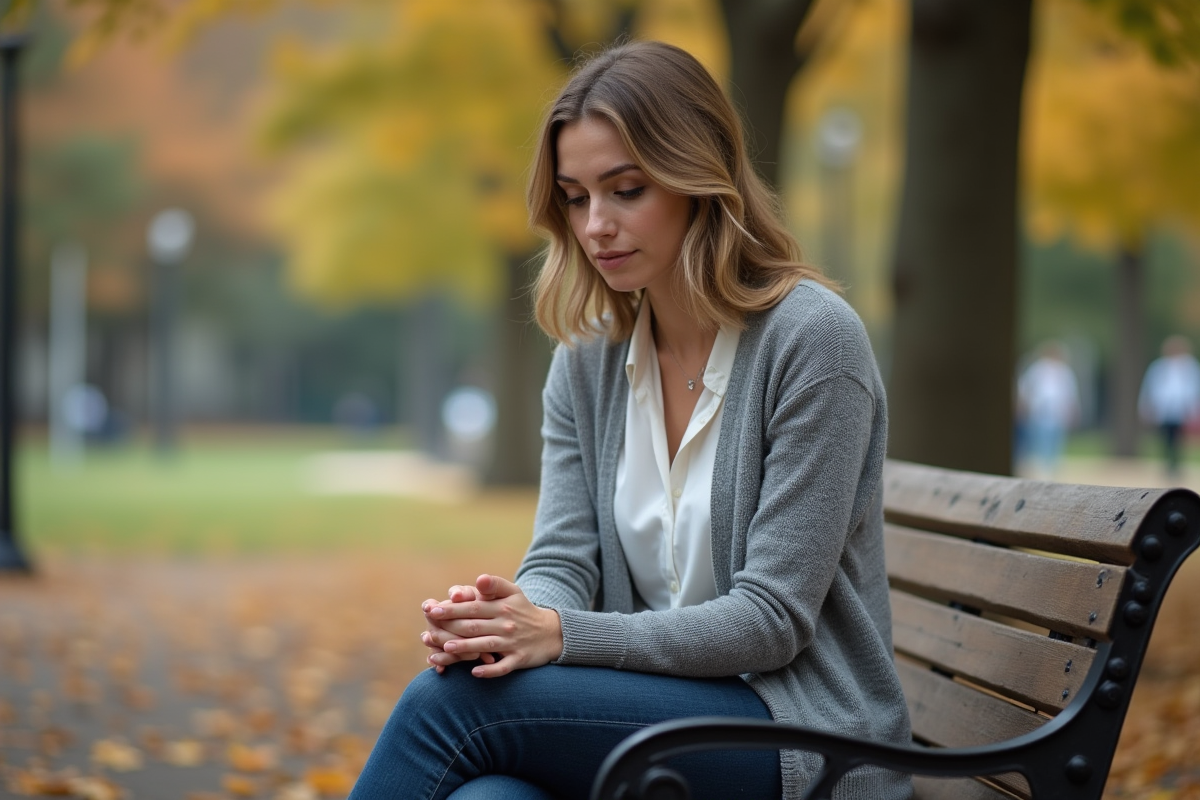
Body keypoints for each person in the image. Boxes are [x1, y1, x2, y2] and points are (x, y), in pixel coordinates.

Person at [349, 41, 911, 800]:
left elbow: (771, 619)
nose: (596, 225)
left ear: (697, 180)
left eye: (626, 190)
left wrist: (563, 636)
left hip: (804, 735)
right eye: (577, 198)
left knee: (449, 709)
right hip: (654, 720)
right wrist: (515, 618)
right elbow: (565, 556)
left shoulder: (813, 341)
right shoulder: (587, 359)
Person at [1139, 335, 1200, 478]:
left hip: (1181, 407)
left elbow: (1194, 388)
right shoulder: (1159, 367)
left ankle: (1176, 464)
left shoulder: (1190, 367)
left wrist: (1193, 407)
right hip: (1164, 407)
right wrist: (1147, 406)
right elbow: (1150, 387)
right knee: (1166, 436)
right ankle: (1168, 463)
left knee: (1178, 436)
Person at [1017, 342, 1080, 478]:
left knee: (1055, 443)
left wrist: (1072, 411)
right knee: (1040, 441)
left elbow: (1070, 393)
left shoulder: (1064, 371)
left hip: (1057, 413)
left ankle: (1051, 470)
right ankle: (1043, 470)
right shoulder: (1037, 369)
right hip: (1040, 412)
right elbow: (1026, 388)